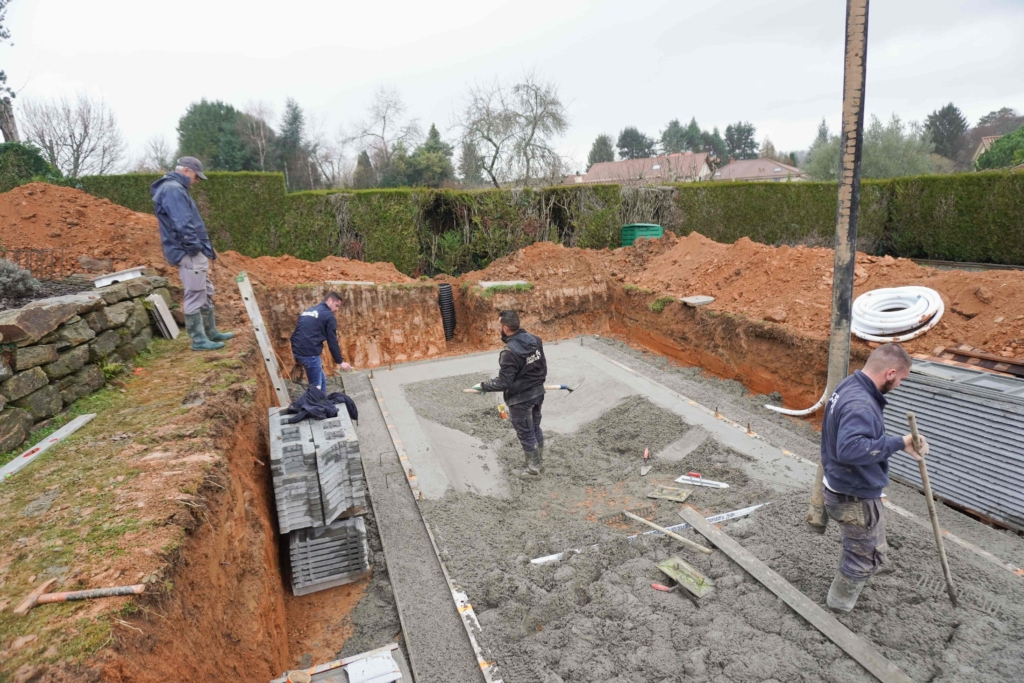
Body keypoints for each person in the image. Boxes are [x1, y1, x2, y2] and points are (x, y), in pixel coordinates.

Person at [820, 343, 929, 613]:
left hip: (847, 485)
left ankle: (840, 598)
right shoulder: (862, 404)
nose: (900, 385)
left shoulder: (849, 385)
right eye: (901, 379)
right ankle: (838, 608)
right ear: (890, 373)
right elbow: (850, 449)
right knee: (865, 556)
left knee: (858, 546)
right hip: (853, 496)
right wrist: (899, 441)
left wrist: (873, 481)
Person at [151, 156, 234, 351]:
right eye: (196, 177)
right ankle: (199, 340)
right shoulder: (173, 189)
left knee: (205, 291)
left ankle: (210, 332)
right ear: (187, 171)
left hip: (192, 250)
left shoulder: (175, 188)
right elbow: (183, 223)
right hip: (188, 251)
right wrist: (194, 248)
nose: (196, 182)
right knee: (195, 294)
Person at [470, 310, 548, 479]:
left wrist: (483, 386)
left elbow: (504, 382)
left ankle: (534, 471)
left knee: (526, 433)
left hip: (521, 399)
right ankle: (538, 461)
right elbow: (543, 367)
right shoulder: (535, 340)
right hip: (538, 392)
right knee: (535, 427)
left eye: (499, 326)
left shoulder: (509, 353)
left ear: (505, 328)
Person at [290, 292, 351, 392]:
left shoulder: (308, 311)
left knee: (321, 380)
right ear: (329, 301)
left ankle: (323, 403)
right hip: (310, 355)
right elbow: (332, 342)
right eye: (336, 305)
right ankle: (316, 405)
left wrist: (297, 355)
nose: (337, 309)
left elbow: (295, 334)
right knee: (316, 390)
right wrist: (340, 362)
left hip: (299, 351)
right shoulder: (328, 316)